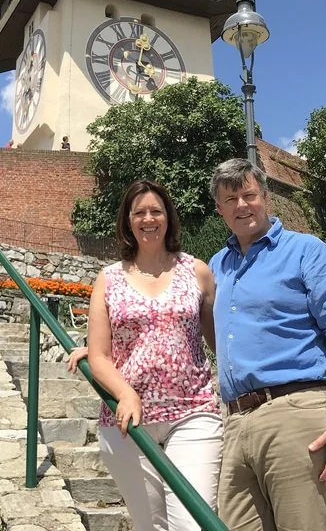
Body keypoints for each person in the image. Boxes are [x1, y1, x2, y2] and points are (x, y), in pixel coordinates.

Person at [209, 158, 326, 531]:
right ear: (219, 209)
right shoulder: (217, 266)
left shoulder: (306, 251)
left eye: (249, 195)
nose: (242, 205)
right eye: (231, 199)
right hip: (236, 421)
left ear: (266, 197)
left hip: (296, 410)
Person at [67, 179, 222, 531]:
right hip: (129, 421)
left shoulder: (197, 271)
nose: (148, 219)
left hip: (192, 411)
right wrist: (124, 392)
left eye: (156, 211)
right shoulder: (108, 279)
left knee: (193, 524)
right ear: (128, 220)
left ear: (168, 217)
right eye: (139, 213)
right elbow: (101, 355)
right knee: (150, 526)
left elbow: (220, 340)